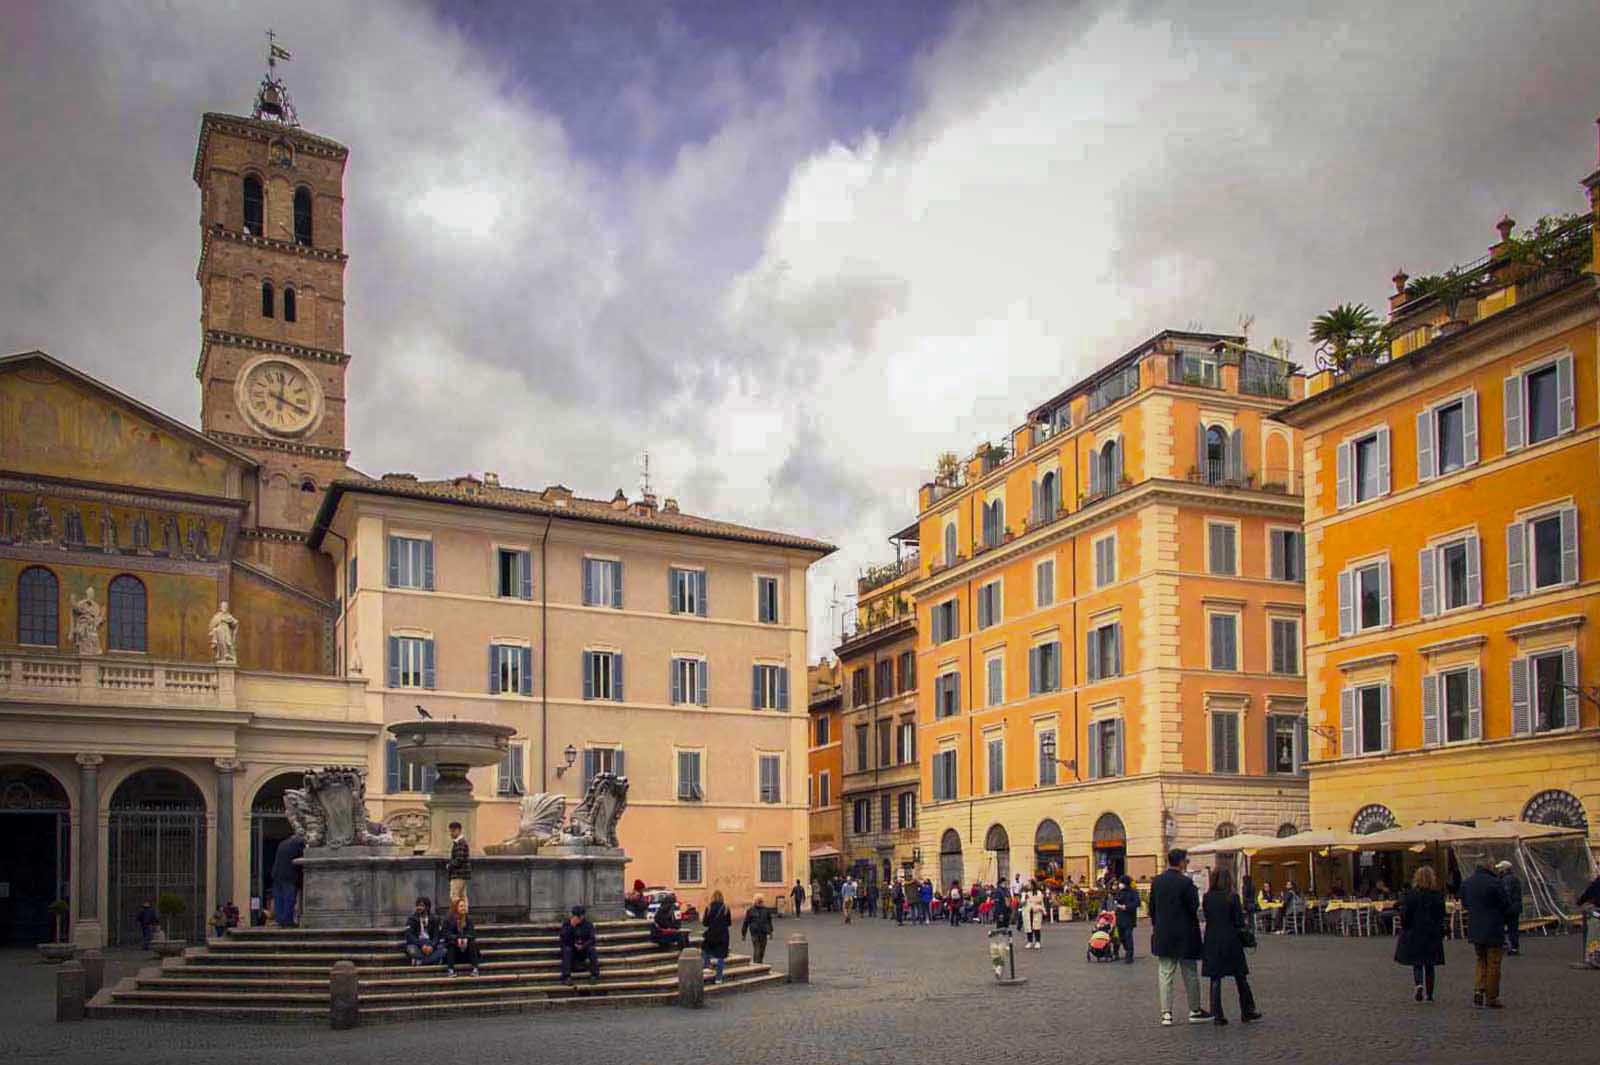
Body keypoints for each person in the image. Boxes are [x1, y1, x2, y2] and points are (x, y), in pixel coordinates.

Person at [1149, 848, 1209, 1027]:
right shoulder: (1186, 883)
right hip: (1185, 934)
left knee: (1165, 974)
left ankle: (1166, 1013)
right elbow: (1194, 906)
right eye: (1186, 861)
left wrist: (1157, 924)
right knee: (1189, 973)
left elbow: (1152, 907)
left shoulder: (1157, 881)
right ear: (1182, 862)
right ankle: (1195, 1010)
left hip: (1164, 933)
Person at [1202, 868, 1260, 1025]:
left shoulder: (1207, 897)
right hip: (1231, 939)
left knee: (1215, 978)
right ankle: (1247, 1010)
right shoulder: (1232, 897)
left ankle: (1217, 1015)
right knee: (1240, 976)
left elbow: (1207, 916)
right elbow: (1239, 921)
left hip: (1212, 939)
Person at [1461, 861, 1514, 1008]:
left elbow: (1465, 904)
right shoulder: (1495, 882)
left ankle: (1479, 989)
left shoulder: (1467, 883)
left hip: (1475, 927)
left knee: (1480, 959)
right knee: (1494, 962)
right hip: (1493, 927)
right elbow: (1505, 903)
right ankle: (1492, 996)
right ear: (1489, 867)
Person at [1394, 865, 1446, 1002]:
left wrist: (1405, 926)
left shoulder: (1411, 895)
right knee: (1430, 964)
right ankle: (1430, 994)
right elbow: (1441, 915)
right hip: (1431, 933)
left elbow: (1405, 914)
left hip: (1415, 932)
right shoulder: (1437, 895)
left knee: (1417, 963)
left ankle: (1418, 984)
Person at [559, 905, 600, 984]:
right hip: (572, 949)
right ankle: (566, 977)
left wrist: (583, 946)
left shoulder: (588, 925)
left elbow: (592, 939)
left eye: (580, 916)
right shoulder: (567, 924)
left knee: (592, 950)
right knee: (567, 950)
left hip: (584, 949)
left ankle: (594, 975)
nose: (578, 918)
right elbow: (563, 938)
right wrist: (571, 926)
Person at [271, 833, 305, 928]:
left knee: (279, 898)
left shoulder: (283, 843)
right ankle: (287, 921)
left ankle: (280, 920)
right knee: (289, 899)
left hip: (277, 874)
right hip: (289, 876)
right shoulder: (299, 845)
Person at [441, 897, 481, 977]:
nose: (464, 908)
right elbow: (446, 934)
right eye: (461, 906)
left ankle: (475, 969)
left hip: (466, 949)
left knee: (472, 943)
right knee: (451, 944)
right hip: (454, 949)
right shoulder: (448, 919)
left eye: (464, 906)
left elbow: (472, 933)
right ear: (456, 908)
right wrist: (457, 939)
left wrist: (465, 938)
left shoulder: (468, 919)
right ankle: (450, 970)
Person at [702, 889, 732, 984]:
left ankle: (706, 966)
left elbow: (705, 923)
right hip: (723, 935)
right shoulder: (726, 908)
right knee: (721, 956)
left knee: (705, 949)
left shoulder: (709, 907)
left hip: (711, 934)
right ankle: (718, 978)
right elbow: (729, 923)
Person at [405, 897, 443, 967]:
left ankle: (421, 961)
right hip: (417, 944)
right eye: (418, 905)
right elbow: (409, 936)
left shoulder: (435, 919)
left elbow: (437, 936)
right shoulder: (411, 919)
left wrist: (431, 946)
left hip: (430, 944)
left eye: (422, 906)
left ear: (427, 907)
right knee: (412, 950)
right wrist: (422, 945)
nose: (419, 908)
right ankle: (433, 960)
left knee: (444, 950)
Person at [1113, 874, 1141, 965]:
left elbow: (1137, 903)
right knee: (1121, 937)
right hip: (1120, 918)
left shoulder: (1133, 892)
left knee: (1128, 936)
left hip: (1129, 918)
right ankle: (1124, 950)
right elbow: (1116, 900)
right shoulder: (1119, 892)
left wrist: (1126, 907)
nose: (1119, 885)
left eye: (1121, 883)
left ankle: (1129, 955)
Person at [1497, 861, 1523, 955]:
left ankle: (1506, 946)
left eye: (1500, 868)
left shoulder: (1506, 879)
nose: (1498, 870)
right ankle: (1514, 947)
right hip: (1514, 908)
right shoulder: (1513, 878)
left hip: (1508, 908)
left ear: (1505, 869)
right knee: (1513, 929)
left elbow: (1506, 894)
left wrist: (1501, 905)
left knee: (1500, 927)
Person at [741, 893, 775, 964]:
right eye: (758, 900)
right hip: (755, 933)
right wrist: (743, 934)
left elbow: (769, 921)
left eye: (761, 900)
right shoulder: (750, 910)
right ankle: (756, 964)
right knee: (757, 949)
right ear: (755, 901)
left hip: (763, 932)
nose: (760, 902)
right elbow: (746, 922)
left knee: (762, 950)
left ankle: (759, 962)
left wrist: (770, 932)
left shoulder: (766, 910)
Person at [445, 821, 471, 906]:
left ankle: (456, 917)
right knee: (463, 897)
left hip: (458, 874)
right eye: (450, 831)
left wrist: (449, 866)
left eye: (453, 831)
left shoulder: (460, 843)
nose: (451, 833)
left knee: (454, 897)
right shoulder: (460, 843)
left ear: (459, 830)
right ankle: (463, 916)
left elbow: (459, 859)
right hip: (462, 874)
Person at [1020, 879, 1046, 949]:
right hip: (1028, 911)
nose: (1028, 886)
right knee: (1028, 927)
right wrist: (1024, 898)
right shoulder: (1025, 893)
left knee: (1036, 927)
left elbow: (1040, 901)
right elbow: (1022, 903)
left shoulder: (1038, 892)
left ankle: (1037, 941)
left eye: (1029, 884)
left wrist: (1032, 901)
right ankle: (1029, 941)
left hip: (1036, 911)